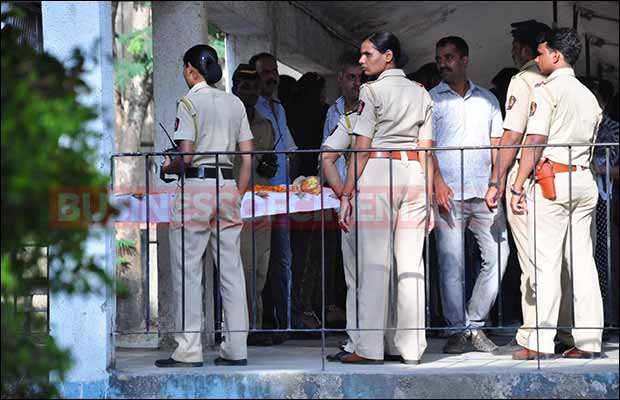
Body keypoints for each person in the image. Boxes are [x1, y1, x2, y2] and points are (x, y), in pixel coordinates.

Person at [338, 31, 434, 365]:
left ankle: (369, 347)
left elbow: (361, 147)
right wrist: (430, 193)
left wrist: (347, 193)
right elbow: (427, 148)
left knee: (375, 265)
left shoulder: (371, 91)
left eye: (367, 54)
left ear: (388, 55)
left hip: (379, 173)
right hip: (414, 176)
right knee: (411, 266)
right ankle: (410, 348)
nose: (362, 61)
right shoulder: (421, 92)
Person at [156, 45, 253, 367]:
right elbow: (247, 154)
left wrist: (167, 166)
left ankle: (188, 350)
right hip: (226, 185)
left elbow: (185, 156)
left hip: (196, 188)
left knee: (188, 270)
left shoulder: (189, 103)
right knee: (231, 271)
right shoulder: (234, 102)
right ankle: (236, 348)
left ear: (189, 69)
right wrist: (237, 191)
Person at [510, 28, 604, 360]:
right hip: (582, 179)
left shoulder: (547, 90)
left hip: (552, 182)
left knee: (545, 262)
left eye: (541, 53)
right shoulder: (588, 95)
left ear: (556, 56)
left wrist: (518, 182)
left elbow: (534, 141)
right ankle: (590, 340)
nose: (536, 58)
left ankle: (538, 342)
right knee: (583, 264)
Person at [485, 20, 576, 356]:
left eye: (514, 46)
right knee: (563, 259)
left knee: (533, 260)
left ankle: (534, 336)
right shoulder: (564, 81)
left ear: (525, 49)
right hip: (564, 175)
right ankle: (565, 330)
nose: (512, 52)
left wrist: (498, 179)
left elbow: (512, 135)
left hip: (529, 176)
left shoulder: (523, 80)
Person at [430, 36, 509, 354]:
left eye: (449, 57)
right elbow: (427, 147)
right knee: (451, 265)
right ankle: (457, 330)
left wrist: (496, 182)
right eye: (439, 58)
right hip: (448, 193)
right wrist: (436, 182)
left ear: (464, 60)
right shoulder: (431, 100)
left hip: (484, 192)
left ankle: (474, 325)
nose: (443, 63)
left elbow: (498, 146)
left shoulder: (488, 99)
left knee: (500, 257)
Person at [249, 52, 300, 333]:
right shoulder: (250, 108)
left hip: (282, 196)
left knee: (282, 259)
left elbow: (289, 150)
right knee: (259, 262)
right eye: (265, 71)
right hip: (258, 198)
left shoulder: (278, 107)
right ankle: (262, 323)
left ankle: (285, 322)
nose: (271, 76)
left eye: (273, 70)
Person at [321, 51, 363, 361]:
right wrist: (340, 193)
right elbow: (326, 155)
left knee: (368, 271)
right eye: (351, 77)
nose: (356, 83)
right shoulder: (335, 113)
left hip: (368, 194)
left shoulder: (369, 109)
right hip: (343, 196)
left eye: (360, 77)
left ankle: (363, 340)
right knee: (350, 269)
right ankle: (358, 337)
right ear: (340, 80)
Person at [231, 64, 277, 346]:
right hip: (237, 203)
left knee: (261, 266)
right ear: (235, 87)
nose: (249, 92)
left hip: (262, 203)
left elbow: (269, 160)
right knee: (243, 267)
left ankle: (255, 324)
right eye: (244, 86)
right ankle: (244, 328)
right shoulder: (228, 120)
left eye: (253, 86)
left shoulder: (265, 124)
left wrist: (270, 165)